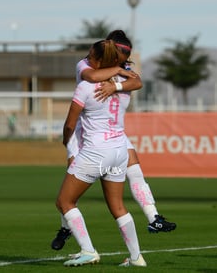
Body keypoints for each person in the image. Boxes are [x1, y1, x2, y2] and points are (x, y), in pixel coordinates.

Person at [51, 30, 176, 252]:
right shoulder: (85, 64)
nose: (123, 60)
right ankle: (65, 227)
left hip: (111, 131)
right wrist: (119, 73)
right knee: (71, 180)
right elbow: (91, 77)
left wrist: (117, 83)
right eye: (120, 56)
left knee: (134, 167)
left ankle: (153, 217)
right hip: (85, 129)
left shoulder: (121, 70)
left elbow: (137, 83)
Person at [56, 39, 146, 267]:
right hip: (119, 150)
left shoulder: (85, 86)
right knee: (118, 207)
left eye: (90, 56)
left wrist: (66, 140)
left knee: (65, 202)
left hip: (96, 151)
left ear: (96, 60)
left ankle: (88, 250)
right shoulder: (124, 84)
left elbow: (69, 124)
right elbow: (137, 82)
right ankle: (136, 257)